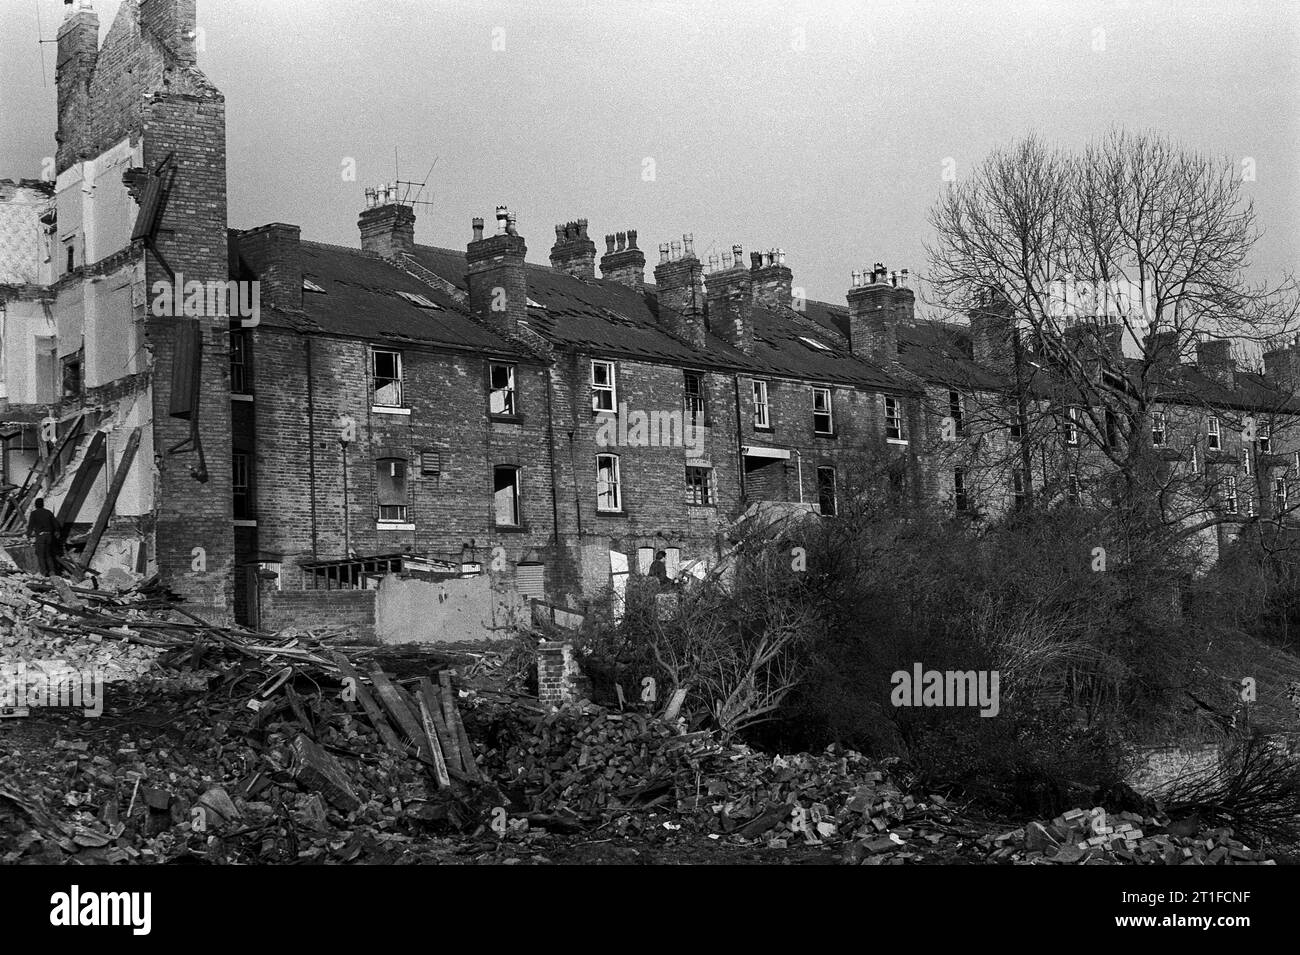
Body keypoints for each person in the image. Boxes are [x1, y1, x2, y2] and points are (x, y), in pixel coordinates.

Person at [26, 498, 61, 577]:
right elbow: (56, 524)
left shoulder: (34, 513)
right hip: (49, 536)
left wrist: (27, 535)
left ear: (36, 505)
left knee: (41, 555)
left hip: (40, 537)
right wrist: (57, 531)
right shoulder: (48, 512)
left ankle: (44, 573)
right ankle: (52, 572)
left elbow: (30, 526)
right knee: (48, 555)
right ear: (43, 504)